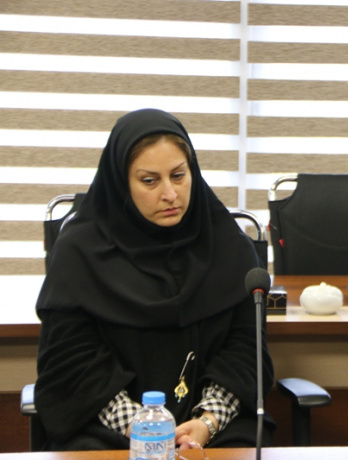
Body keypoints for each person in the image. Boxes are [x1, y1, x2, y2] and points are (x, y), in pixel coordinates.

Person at [34, 108, 274, 451]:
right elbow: (72, 363)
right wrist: (147, 427)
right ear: (121, 182)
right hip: (108, 427)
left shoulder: (229, 246)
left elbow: (246, 353)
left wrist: (207, 421)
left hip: (212, 428)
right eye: (150, 181)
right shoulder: (79, 253)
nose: (170, 194)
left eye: (178, 175)